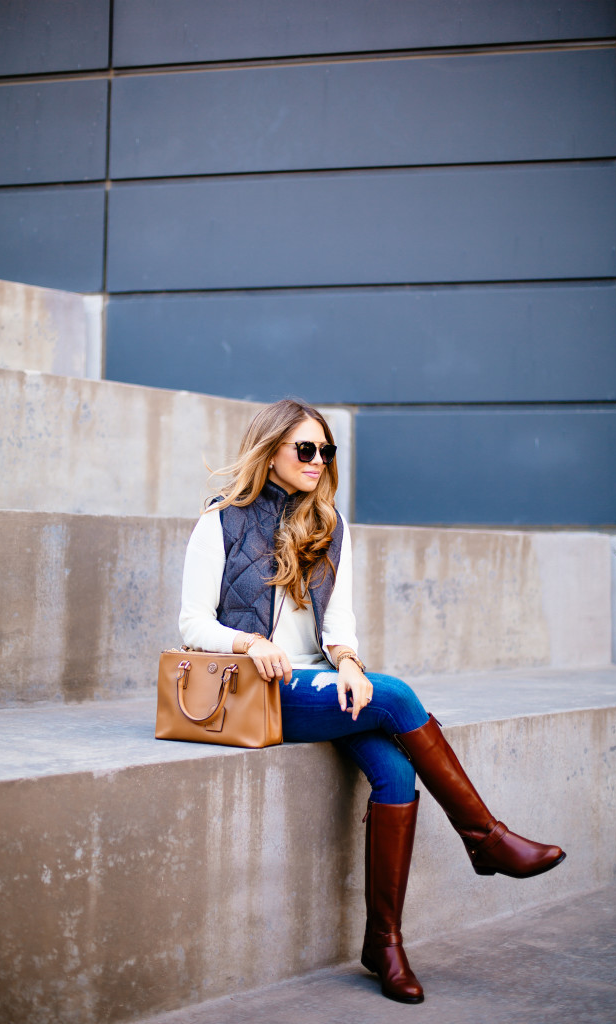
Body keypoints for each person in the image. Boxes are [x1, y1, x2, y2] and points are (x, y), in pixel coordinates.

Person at [179, 397, 565, 1005]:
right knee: (398, 695)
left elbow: (340, 624)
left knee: (395, 771)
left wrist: (351, 666)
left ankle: (383, 943)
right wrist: (250, 643)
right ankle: (485, 838)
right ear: (270, 451)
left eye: (324, 451)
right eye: (304, 449)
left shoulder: (330, 525)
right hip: (255, 692)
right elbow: (191, 623)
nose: (317, 460)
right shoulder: (220, 522)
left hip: (316, 684)